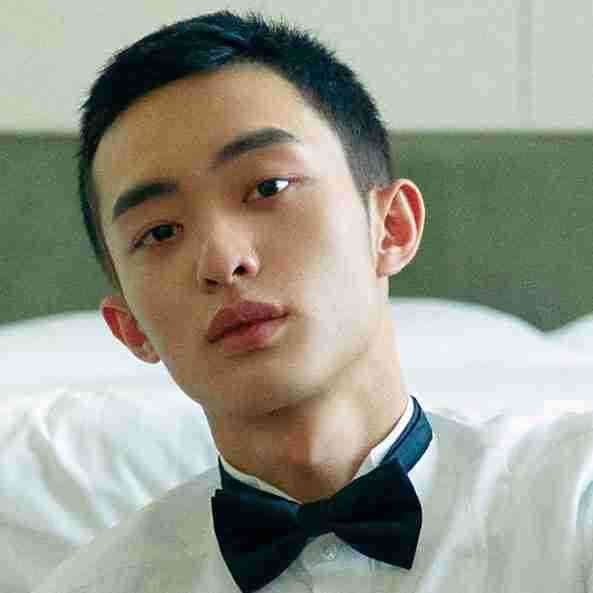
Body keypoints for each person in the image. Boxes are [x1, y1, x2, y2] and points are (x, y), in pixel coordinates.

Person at [33, 9, 592, 593]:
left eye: (268, 187)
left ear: (391, 228)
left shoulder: (572, 497)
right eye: (160, 232)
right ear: (130, 328)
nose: (223, 261)